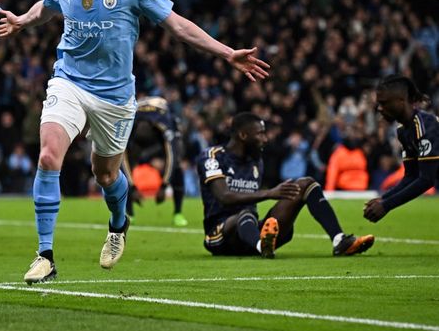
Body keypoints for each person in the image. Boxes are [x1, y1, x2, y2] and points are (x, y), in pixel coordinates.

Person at [0, 0, 270, 284]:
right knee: (48, 154)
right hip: (69, 82)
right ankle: (45, 255)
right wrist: (22, 21)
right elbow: (46, 8)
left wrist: (226, 53)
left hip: (114, 98)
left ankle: (118, 222)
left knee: (106, 174)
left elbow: (178, 25)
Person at [199, 112, 374, 258]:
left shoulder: (256, 160)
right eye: (260, 133)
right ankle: (262, 246)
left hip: (250, 231)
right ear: (243, 135)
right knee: (245, 214)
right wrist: (269, 193)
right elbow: (224, 196)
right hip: (220, 234)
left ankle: (339, 240)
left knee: (306, 183)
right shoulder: (213, 157)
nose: (265, 139)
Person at [364, 75, 438, 222]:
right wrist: (383, 199)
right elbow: (411, 175)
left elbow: (427, 179)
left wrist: (387, 205)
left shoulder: (424, 126)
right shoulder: (403, 131)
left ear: (401, 101)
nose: (379, 108)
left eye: (384, 103)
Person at [121, 96, 188, 226]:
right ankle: (129, 213)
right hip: (138, 122)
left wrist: (164, 185)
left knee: (178, 167)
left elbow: (172, 157)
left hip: (163, 127)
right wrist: (133, 187)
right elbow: (123, 161)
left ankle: (178, 213)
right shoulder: (127, 126)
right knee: (121, 170)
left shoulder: (166, 126)